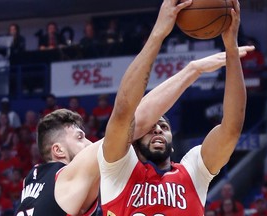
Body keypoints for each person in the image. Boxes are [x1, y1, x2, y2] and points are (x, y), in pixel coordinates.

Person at [97, 0, 250, 215]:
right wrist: (159, 33)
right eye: (151, 128)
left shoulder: (193, 171)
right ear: (134, 137)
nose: (158, 129)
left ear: (173, 142)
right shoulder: (117, 169)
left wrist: (231, 52)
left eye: (164, 127)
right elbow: (123, 111)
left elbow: (232, 128)